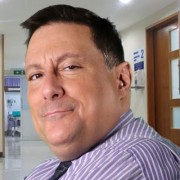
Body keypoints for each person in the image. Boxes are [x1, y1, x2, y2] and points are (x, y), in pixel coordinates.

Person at [21, 4, 180, 180]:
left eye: (70, 67)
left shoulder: (128, 163)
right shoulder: (57, 164)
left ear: (121, 80)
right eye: (36, 75)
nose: (49, 89)